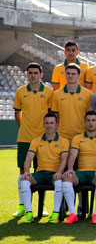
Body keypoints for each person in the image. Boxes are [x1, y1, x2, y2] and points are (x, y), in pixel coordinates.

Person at [13, 62, 53, 217]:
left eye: (36, 73)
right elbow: (18, 114)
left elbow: (51, 115)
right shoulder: (20, 91)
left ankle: (40, 207)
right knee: (23, 171)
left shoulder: (49, 92)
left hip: (43, 139)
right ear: (26, 74)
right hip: (25, 138)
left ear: (41, 75)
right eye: (30, 73)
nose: (33, 75)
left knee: (39, 171)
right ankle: (22, 205)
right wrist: (24, 128)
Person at [62, 110, 96, 224]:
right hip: (81, 173)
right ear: (84, 122)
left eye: (93, 120)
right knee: (67, 178)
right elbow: (73, 155)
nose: (91, 123)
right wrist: (70, 169)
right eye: (88, 120)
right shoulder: (77, 138)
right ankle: (73, 214)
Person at [20, 113, 70, 223]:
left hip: (54, 173)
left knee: (58, 182)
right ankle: (29, 214)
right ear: (43, 124)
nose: (49, 125)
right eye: (47, 123)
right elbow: (28, 158)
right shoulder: (36, 141)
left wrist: (59, 172)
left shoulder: (63, 141)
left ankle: (55, 214)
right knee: (24, 181)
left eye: (52, 123)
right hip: (40, 174)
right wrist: (27, 172)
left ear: (56, 124)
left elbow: (64, 159)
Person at [51, 63, 92, 142]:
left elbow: (89, 117)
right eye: (68, 73)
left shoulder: (88, 94)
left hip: (81, 137)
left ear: (79, 76)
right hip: (62, 137)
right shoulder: (56, 94)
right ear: (65, 75)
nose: (70, 76)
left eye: (73, 74)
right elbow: (55, 117)